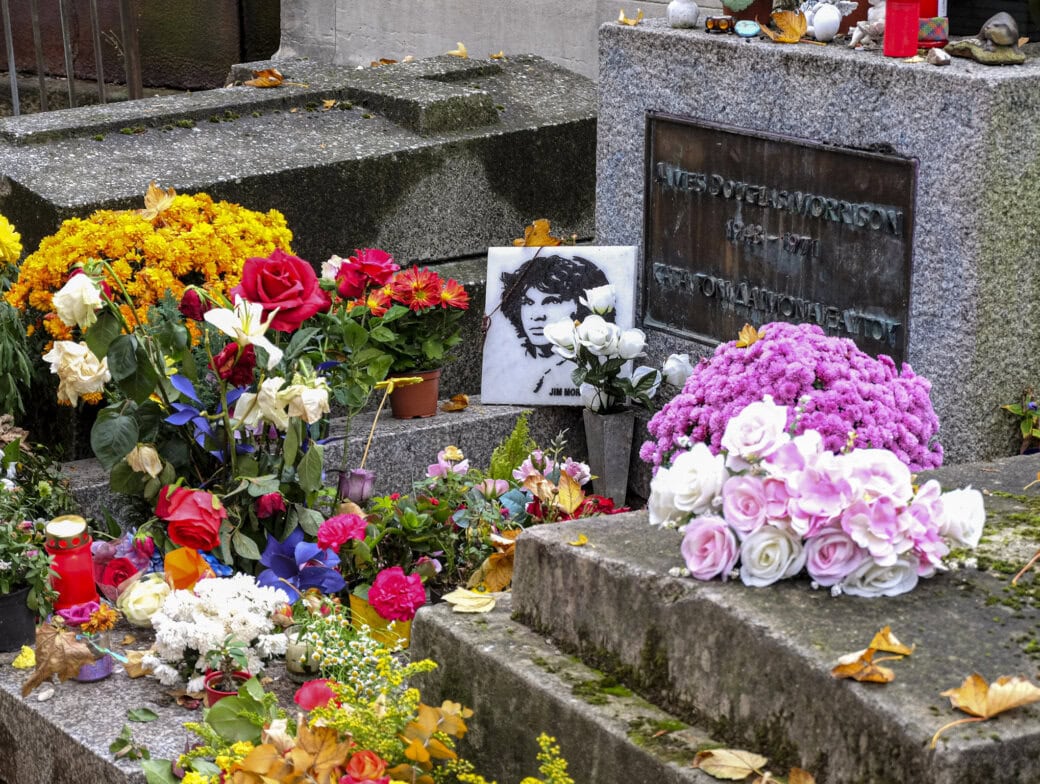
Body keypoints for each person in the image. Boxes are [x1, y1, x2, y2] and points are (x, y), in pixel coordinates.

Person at [498, 254, 611, 396]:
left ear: (578, 307)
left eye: (552, 302)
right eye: (527, 302)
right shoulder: (504, 368)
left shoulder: (589, 369)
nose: (537, 315)